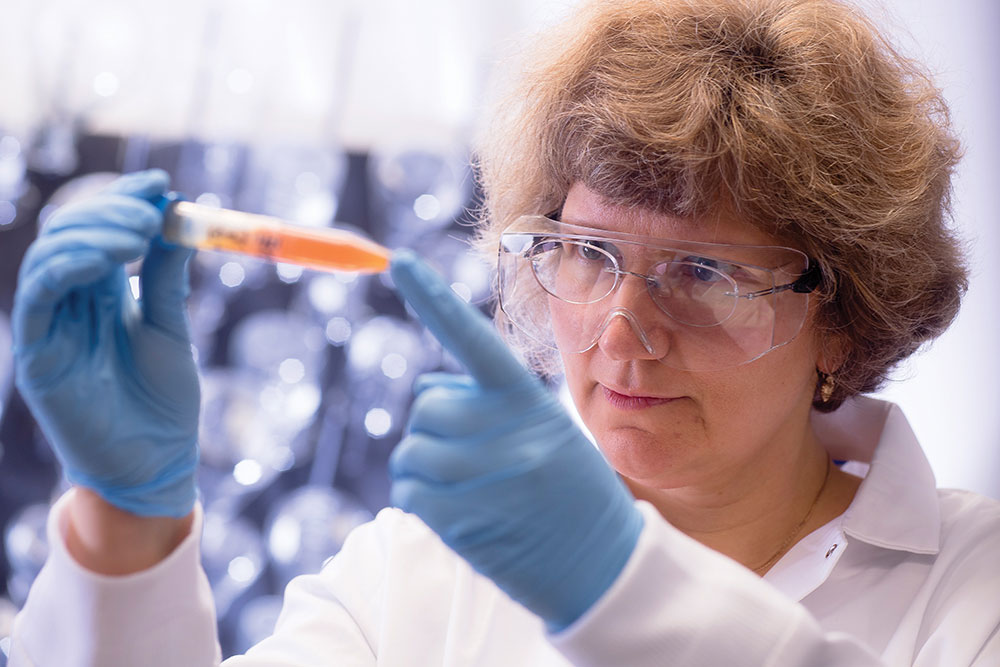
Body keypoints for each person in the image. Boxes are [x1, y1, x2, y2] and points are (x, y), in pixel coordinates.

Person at [8, 0, 1000, 664]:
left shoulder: (974, 583)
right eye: (587, 256)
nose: (622, 333)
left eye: (702, 272)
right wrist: (123, 520)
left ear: (846, 315)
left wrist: (613, 583)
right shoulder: (419, 572)